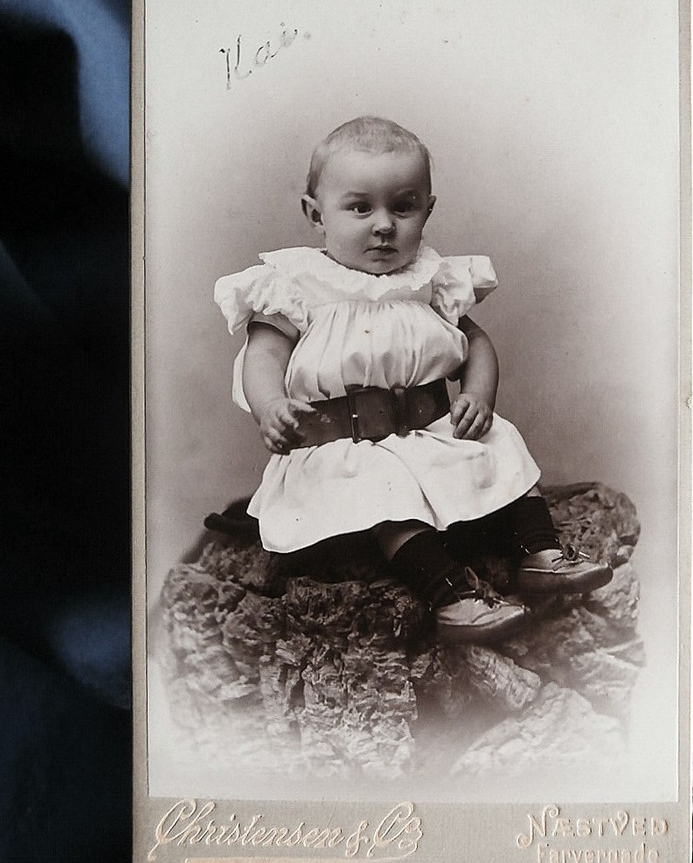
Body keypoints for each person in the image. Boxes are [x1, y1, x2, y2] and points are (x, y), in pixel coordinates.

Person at [214, 117, 612, 645]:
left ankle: (539, 554)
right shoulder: (296, 286)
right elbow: (262, 355)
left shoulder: (429, 280)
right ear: (316, 214)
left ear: (427, 209)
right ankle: (451, 596)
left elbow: (477, 345)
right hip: (345, 447)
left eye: (402, 207)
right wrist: (271, 408)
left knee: (501, 447)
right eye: (360, 208)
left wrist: (476, 395)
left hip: (428, 429)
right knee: (389, 500)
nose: (384, 225)